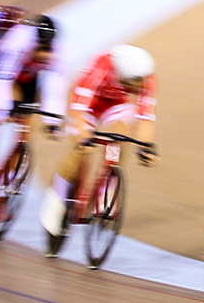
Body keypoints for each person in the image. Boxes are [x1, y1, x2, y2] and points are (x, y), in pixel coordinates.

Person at [41, 44, 159, 250]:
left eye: (141, 82)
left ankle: (107, 185)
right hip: (87, 104)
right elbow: (78, 111)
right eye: (134, 82)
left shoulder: (147, 79)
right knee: (81, 147)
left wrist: (145, 146)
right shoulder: (101, 67)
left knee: (121, 134)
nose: (140, 87)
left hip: (114, 106)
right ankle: (56, 197)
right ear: (122, 75)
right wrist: (84, 137)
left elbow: (145, 117)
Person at [0, 12, 57, 181]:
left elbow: (56, 84)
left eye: (47, 48)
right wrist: (3, 106)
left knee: (27, 129)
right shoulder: (19, 39)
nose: (43, 53)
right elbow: (2, 79)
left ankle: (5, 183)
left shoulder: (56, 51)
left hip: (28, 81)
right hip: (5, 74)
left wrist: (53, 121)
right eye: (40, 47)